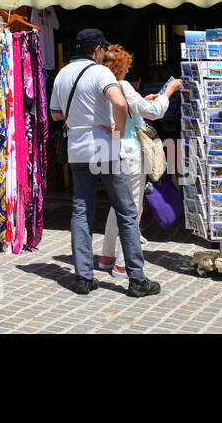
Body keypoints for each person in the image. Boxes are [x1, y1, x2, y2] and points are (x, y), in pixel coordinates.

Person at [50, 28, 161, 298]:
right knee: (126, 211)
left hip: (77, 152)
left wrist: (79, 123)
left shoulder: (62, 74)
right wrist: (118, 133)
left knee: (81, 213)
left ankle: (83, 278)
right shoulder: (100, 72)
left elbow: (55, 115)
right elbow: (119, 102)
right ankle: (136, 279)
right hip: (106, 150)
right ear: (97, 50)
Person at [95, 45, 181, 277]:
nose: (128, 70)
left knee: (117, 205)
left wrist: (141, 100)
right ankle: (123, 263)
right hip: (129, 154)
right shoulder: (121, 85)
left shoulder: (98, 86)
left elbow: (130, 109)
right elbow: (153, 111)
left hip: (109, 152)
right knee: (131, 208)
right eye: (126, 66)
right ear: (121, 67)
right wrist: (169, 91)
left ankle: (106, 257)